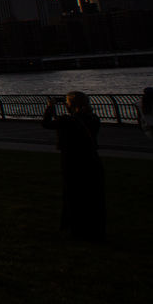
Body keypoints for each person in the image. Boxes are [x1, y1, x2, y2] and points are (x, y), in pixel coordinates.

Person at [42, 91, 105, 240]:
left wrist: (50, 107)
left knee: (73, 194)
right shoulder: (94, 118)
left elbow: (46, 123)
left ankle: (75, 228)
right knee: (92, 195)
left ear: (71, 104)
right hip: (91, 159)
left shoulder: (68, 121)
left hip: (72, 160)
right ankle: (94, 228)